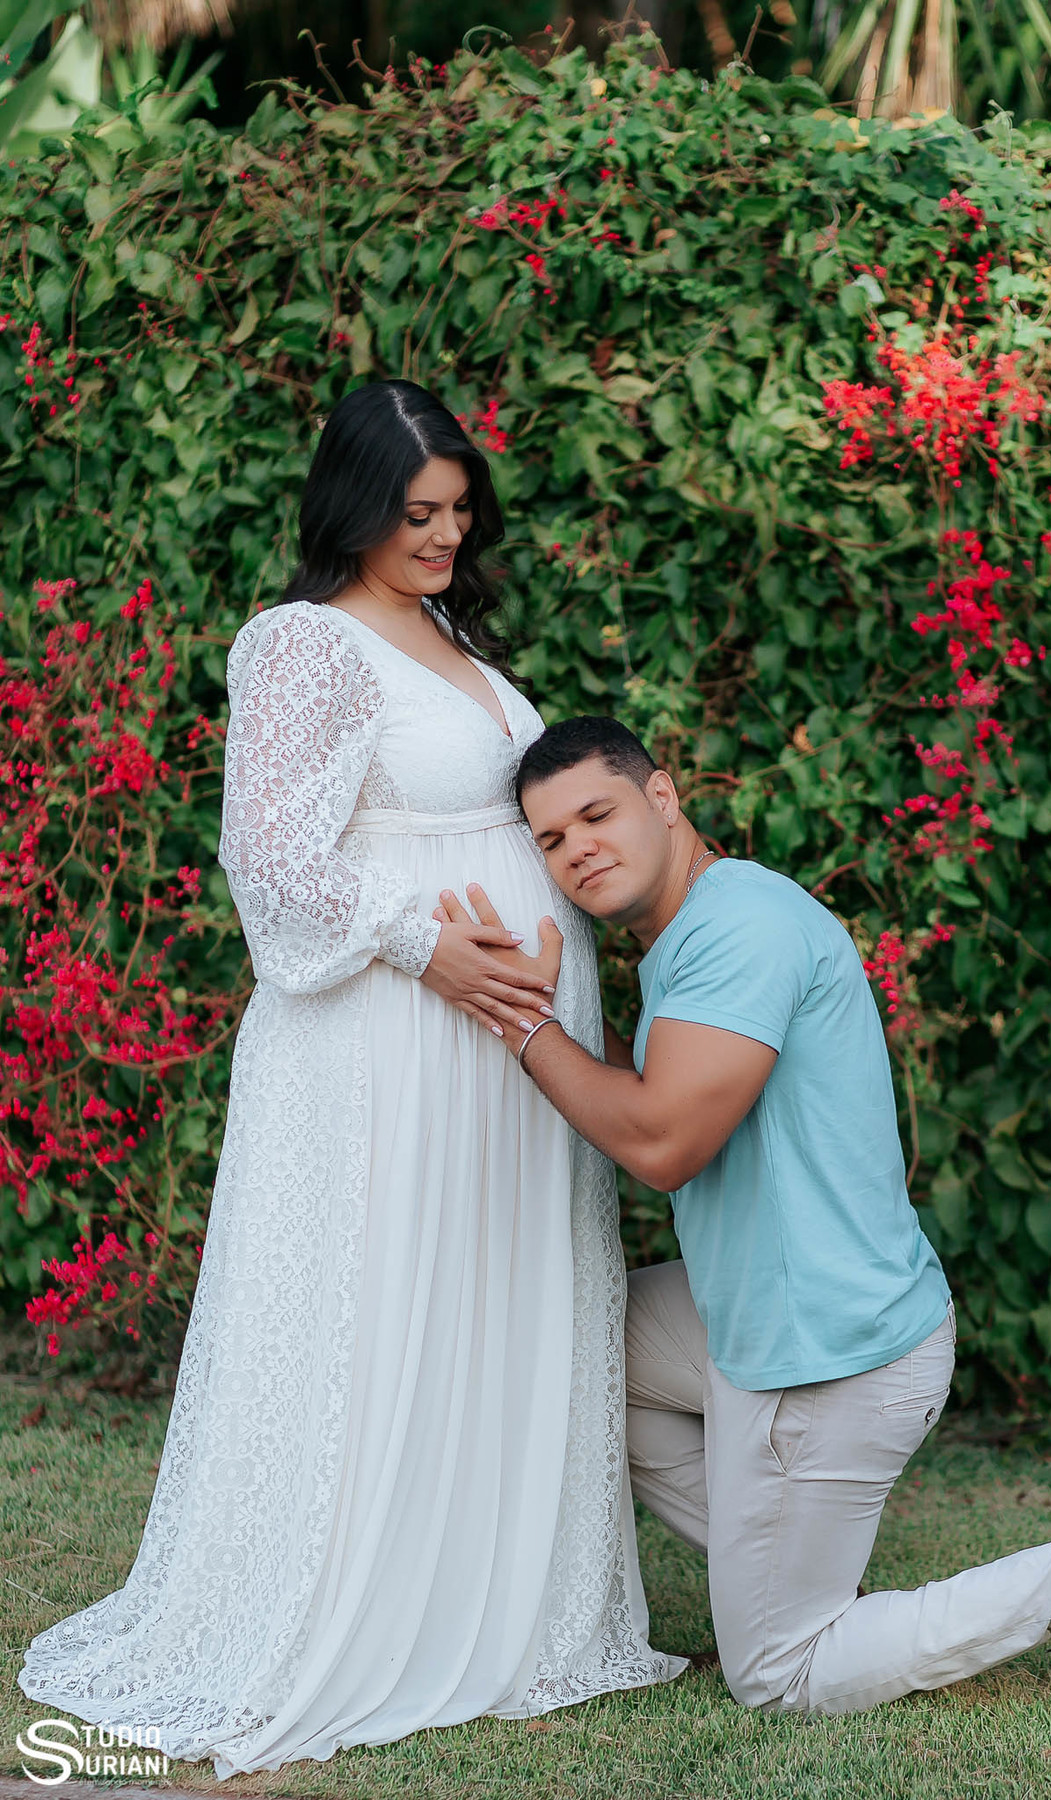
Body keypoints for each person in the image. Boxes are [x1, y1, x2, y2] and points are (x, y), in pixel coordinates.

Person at [18, 390, 682, 1778]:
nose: (443, 536)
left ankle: (509, 1621)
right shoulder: (304, 647)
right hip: (388, 1038)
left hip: (502, 1042)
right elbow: (271, 859)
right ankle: (354, 1611)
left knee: (498, 1295)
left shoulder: (456, 641)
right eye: (415, 512)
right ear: (353, 506)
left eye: (457, 511)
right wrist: (429, 947)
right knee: (380, 1307)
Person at [434, 713, 1051, 1731]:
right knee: (573, 1340)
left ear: (662, 797)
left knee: (778, 1677)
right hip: (796, 1312)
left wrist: (523, 1026)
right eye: (552, 840)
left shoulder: (740, 933)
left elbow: (664, 1144)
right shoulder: (697, 924)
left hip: (827, 1354)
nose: (579, 852)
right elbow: (655, 1083)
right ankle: (799, 1590)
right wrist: (558, 1018)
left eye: (597, 815)